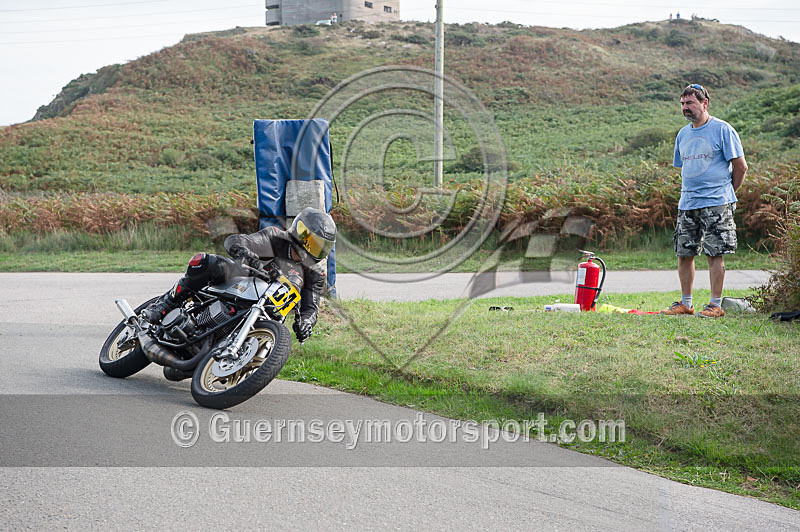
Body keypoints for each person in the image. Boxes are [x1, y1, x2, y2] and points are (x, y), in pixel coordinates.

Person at [143, 207, 336, 342]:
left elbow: (311, 308)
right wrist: (245, 253)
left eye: (321, 247)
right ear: (300, 232)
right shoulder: (276, 238)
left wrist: (307, 322)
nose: (315, 250)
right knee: (207, 262)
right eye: (313, 242)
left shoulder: (315, 274)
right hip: (240, 285)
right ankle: (166, 303)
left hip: (267, 313)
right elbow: (238, 240)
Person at [661, 84, 748, 318]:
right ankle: (685, 303)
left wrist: (727, 193)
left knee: (714, 253)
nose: (685, 108)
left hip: (717, 203)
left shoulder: (723, 130)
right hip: (688, 203)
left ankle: (714, 304)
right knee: (684, 253)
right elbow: (685, 167)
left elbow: (741, 167)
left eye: (690, 103)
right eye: (682, 104)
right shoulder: (683, 134)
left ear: (705, 103)